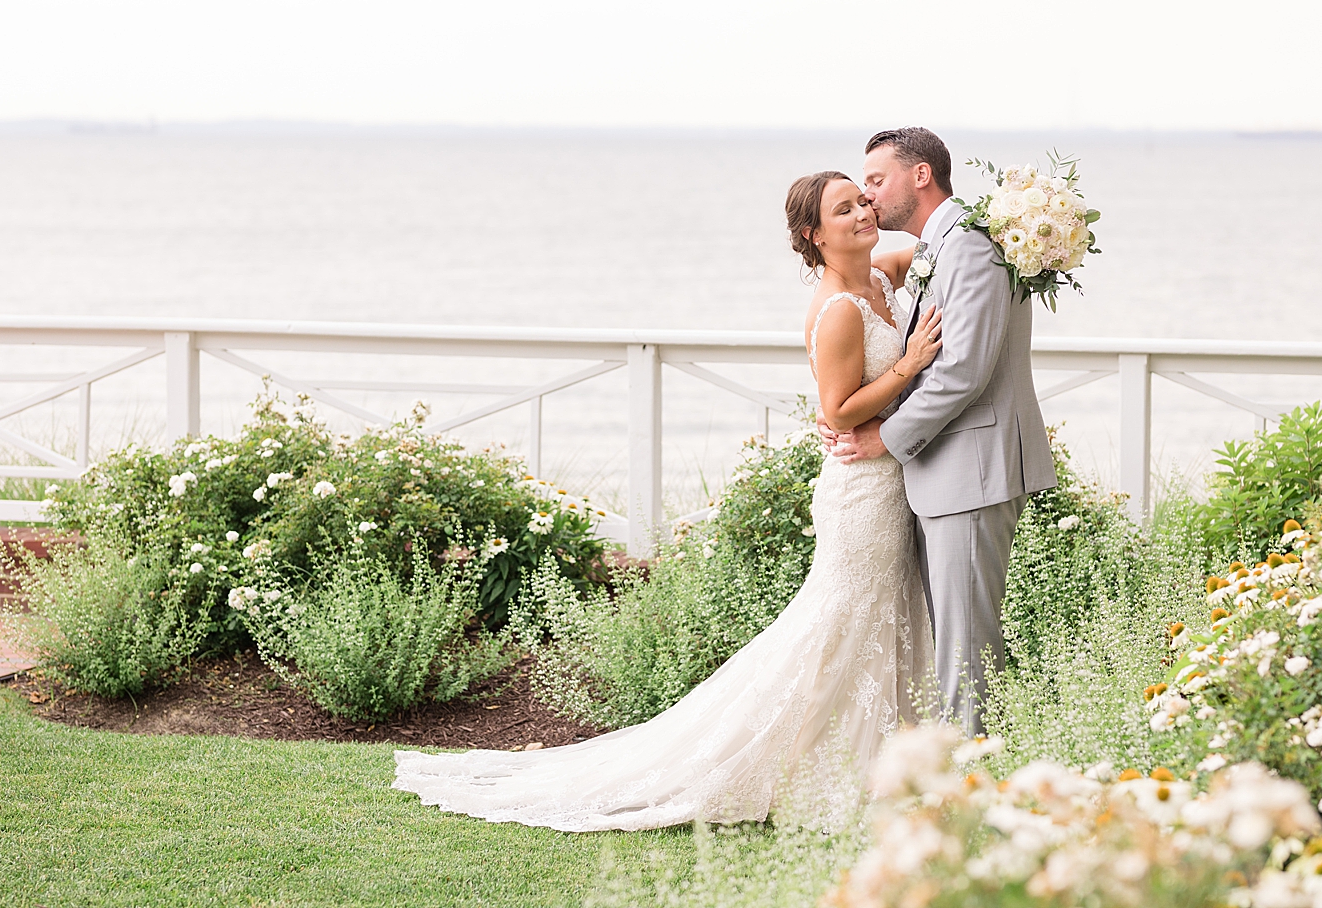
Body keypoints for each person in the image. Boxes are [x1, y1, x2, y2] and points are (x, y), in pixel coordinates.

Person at [391, 170, 944, 832]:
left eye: (863, 199)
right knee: (837, 627)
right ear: (813, 235)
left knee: (882, 620)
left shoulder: (880, 276)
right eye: (844, 208)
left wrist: (1003, 224)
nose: (863, 211)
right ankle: (797, 770)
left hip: (889, 485)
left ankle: (885, 764)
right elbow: (838, 410)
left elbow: (938, 239)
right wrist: (908, 365)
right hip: (860, 492)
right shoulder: (837, 312)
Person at [824, 127, 1057, 736]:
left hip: (972, 468)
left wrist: (885, 437)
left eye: (876, 181)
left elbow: (963, 372)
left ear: (920, 175)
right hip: (947, 471)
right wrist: (851, 409)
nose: (868, 198)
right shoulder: (939, 245)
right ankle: (966, 765)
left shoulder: (970, 248)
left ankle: (967, 780)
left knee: (965, 644)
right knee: (956, 638)